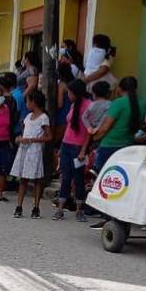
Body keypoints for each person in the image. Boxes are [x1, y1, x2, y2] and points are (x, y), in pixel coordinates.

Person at [54, 79, 90, 222]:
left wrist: (83, 150)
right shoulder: (73, 105)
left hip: (78, 148)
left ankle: (80, 210)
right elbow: (69, 127)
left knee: (79, 179)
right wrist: (62, 147)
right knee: (65, 177)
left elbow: (89, 131)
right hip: (67, 145)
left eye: (69, 92)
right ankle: (60, 209)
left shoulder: (88, 106)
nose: (67, 94)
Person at [11, 90, 51, 218]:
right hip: (24, 149)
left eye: (28, 101)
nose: (27, 104)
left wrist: (33, 140)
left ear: (33, 102)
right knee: (23, 178)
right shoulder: (28, 117)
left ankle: (36, 206)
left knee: (36, 179)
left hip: (35, 150)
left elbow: (49, 137)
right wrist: (20, 138)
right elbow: (25, 133)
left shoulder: (43, 118)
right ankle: (19, 206)